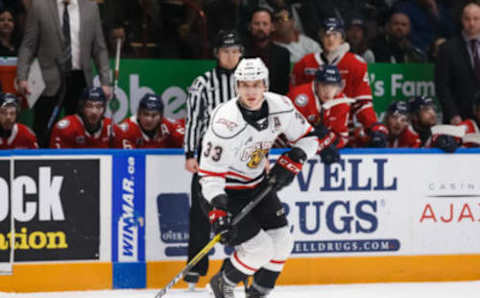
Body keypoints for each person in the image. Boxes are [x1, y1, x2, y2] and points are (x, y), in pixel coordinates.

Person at [201, 58, 334, 298]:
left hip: (256, 184)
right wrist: (218, 210)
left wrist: (296, 156)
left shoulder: (281, 106)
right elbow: (210, 174)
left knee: (282, 242)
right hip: (224, 192)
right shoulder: (225, 122)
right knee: (259, 250)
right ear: (236, 87)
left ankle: (257, 294)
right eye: (244, 85)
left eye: (256, 84)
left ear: (265, 85)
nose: (251, 91)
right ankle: (220, 285)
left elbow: (310, 138)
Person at [183, 30, 243, 288]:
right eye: (225, 51)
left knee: (244, 214)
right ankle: (195, 270)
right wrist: (189, 153)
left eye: (234, 51)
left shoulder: (251, 81)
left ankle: (241, 270)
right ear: (217, 53)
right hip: (210, 159)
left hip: (242, 159)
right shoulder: (203, 83)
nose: (230, 56)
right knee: (201, 215)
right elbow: (193, 121)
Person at [16, 0, 111, 148]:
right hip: (46, 79)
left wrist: (105, 81)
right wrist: (22, 77)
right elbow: (28, 45)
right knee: (43, 130)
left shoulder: (91, 7)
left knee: (80, 131)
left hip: (80, 78)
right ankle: (41, 164)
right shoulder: (40, 5)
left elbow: (99, 48)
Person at [291, 17, 386, 148]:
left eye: (335, 35)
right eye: (327, 34)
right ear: (321, 37)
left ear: (342, 38)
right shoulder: (304, 64)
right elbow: (296, 102)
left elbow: (362, 104)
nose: (331, 39)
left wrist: (372, 126)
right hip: (310, 129)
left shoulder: (356, 65)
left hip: (344, 129)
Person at [435, 1, 480, 125]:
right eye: (467, 19)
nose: (471, 23)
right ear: (461, 20)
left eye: (476, 19)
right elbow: (442, 86)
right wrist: (452, 114)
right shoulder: (447, 49)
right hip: (458, 117)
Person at [287, 65, 352, 149]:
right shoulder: (297, 97)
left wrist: (327, 144)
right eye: (324, 85)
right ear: (317, 84)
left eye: (333, 86)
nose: (328, 91)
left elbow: (343, 138)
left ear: (338, 87)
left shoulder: (342, 104)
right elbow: (286, 133)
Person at [244, 7, 290, 95]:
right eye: (256, 24)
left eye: (265, 24)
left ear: (272, 27)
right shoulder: (241, 52)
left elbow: (283, 89)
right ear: (250, 26)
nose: (260, 28)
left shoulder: (282, 54)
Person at [113, 93, 184, 148]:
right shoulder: (126, 130)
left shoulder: (169, 126)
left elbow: (188, 143)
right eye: (145, 114)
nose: (149, 119)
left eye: (154, 115)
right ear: (138, 113)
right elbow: (128, 159)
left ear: (161, 116)